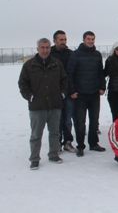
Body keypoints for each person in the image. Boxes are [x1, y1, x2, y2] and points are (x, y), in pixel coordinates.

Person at [19, 38, 67, 170]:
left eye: (47, 47)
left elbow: (64, 80)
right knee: (36, 135)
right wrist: (30, 96)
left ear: (50, 48)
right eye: (42, 47)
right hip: (37, 106)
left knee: (55, 133)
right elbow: (22, 84)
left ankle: (53, 154)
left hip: (55, 105)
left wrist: (62, 93)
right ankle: (34, 159)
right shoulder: (29, 65)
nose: (45, 50)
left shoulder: (57, 63)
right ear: (37, 48)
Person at [67, 31, 106, 157]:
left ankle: (93, 143)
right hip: (80, 95)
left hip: (94, 93)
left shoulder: (97, 54)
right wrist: (72, 91)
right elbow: (70, 74)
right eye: (88, 39)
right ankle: (80, 146)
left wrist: (102, 86)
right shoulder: (75, 54)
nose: (91, 41)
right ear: (84, 39)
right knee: (80, 122)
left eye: (92, 39)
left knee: (94, 121)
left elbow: (101, 72)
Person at [50, 30, 76, 152]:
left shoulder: (71, 54)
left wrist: (73, 90)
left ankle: (67, 142)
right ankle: (57, 143)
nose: (63, 42)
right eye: (61, 40)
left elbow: (74, 74)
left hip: (69, 93)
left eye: (65, 39)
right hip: (54, 93)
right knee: (56, 119)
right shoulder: (49, 54)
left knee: (67, 119)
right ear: (54, 40)